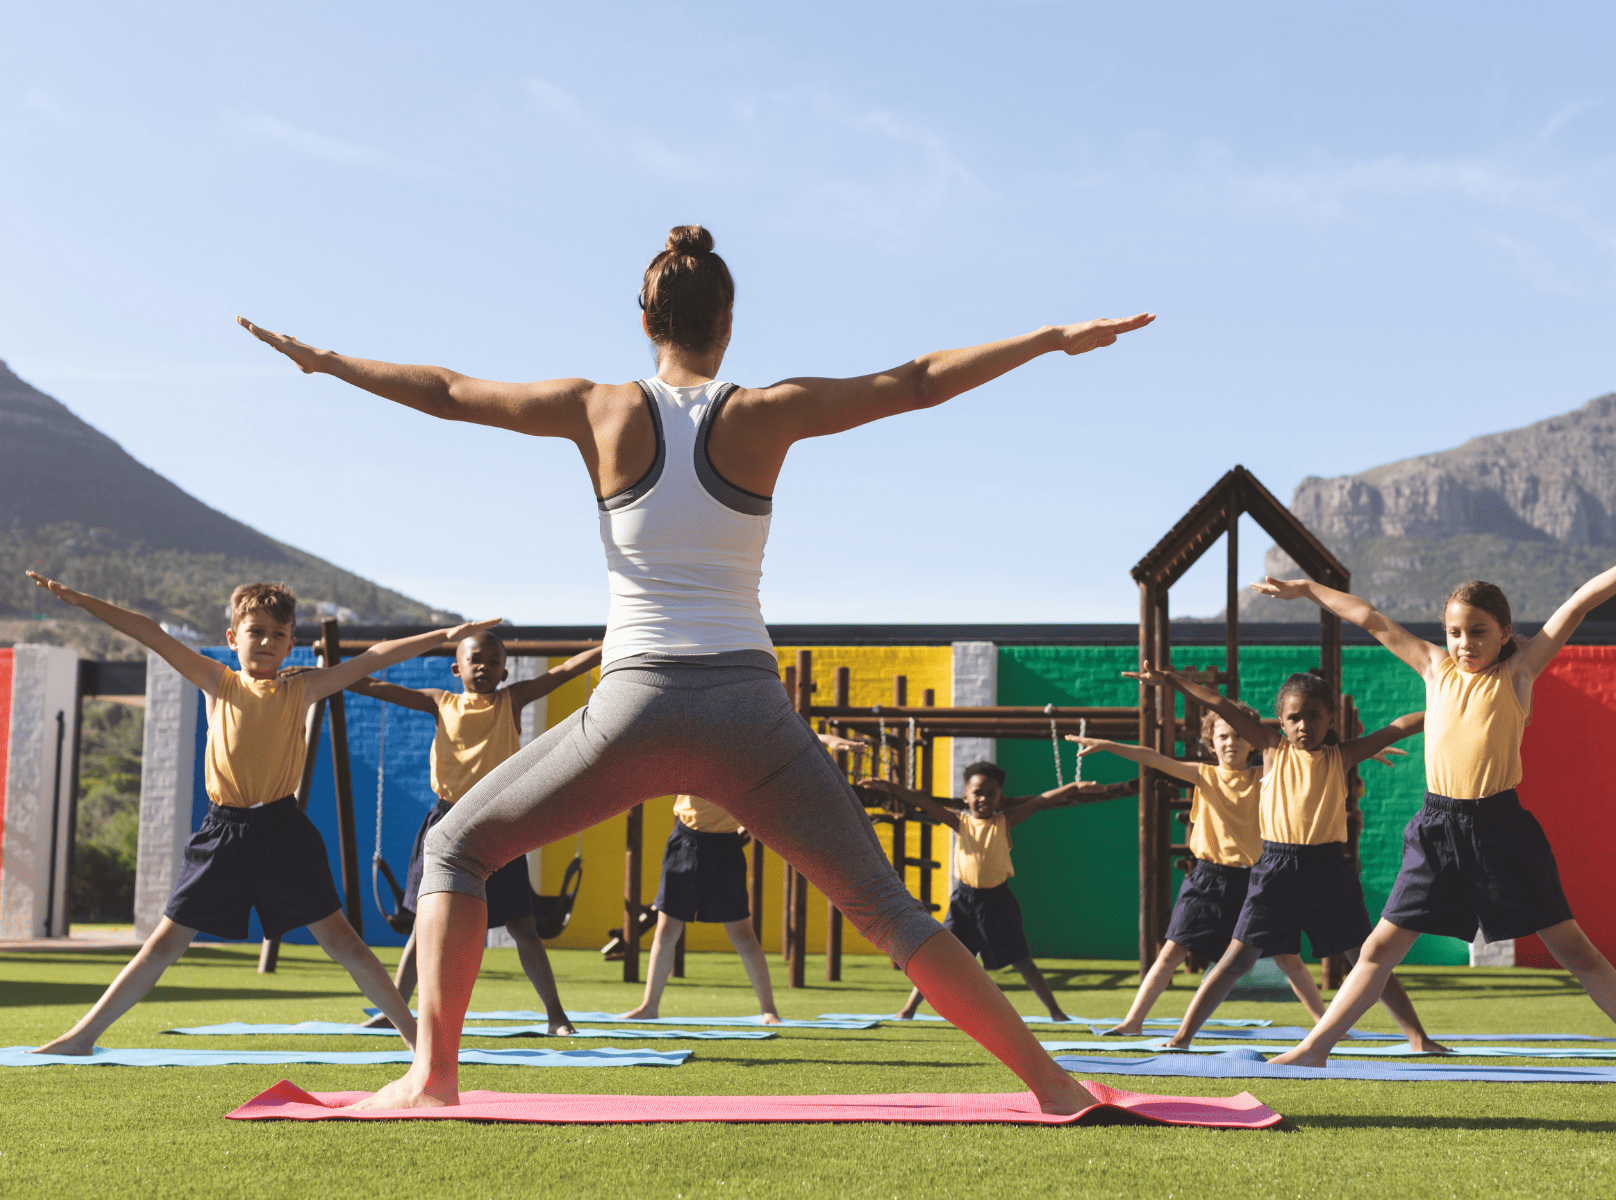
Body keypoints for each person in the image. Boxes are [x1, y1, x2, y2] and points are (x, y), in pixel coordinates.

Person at [238, 223, 1154, 1112]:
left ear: (645, 320)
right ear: (728, 325)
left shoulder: (596, 407)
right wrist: (1045, 339)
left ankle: (432, 1077)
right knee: (884, 906)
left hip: (633, 707)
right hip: (750, 716)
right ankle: (1054, 1084)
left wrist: (328, 362)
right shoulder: (765, 412)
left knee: (454, 849)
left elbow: (445, 388)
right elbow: (913, 383)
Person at [1250, 557, 1616, 1077]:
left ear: (1505, 633)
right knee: (1378, 948)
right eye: (1454, 632)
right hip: (1436, 829)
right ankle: (1316, 1048)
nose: (1464, 643)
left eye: (1478, 632)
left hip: (1500, 829)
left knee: (1574, 949)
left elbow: (1576, 604)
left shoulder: (1518, 673)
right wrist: (1306, 589)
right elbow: (1368, 617)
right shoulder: (1434, 667)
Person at [24, 574, 495, 1054]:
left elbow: (374, 658)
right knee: (164, 944)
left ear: (292, 643)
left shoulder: (302, 690)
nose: (266, 641)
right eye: (255, 631)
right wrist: (80, 599)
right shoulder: (215, 680)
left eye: (277, 634)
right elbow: (151, 633)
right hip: (223, 835)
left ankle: (418, 1042)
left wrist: (444, 636)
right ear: (234, 638)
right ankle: (82, 1037)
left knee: (345, 944)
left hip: (284, 832)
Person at [1129, 662, 1446, 1052]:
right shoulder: (1272, 749)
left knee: (1368, 955)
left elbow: (1401, 726)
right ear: (1280, 721)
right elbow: (1220, 704)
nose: (1304, 725)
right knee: (1236, 959)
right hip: (1275, 870)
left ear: (1330, 718)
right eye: (1294, 717)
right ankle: (1182, 1036)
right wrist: (1171, 680)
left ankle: (1418, 1037)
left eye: (1314, 716)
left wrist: (1459, 707)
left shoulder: (1341, 755)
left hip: (1328, 869)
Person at [346, 631, 601, 1036]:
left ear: (504, 670)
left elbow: (567, 669)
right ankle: (395, 1010)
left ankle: (556, 1015)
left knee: (522, 926)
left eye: (493, 661)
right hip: (445, 822)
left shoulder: (511, 701)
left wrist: (610, 645)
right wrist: (327, 673)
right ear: (456, 668)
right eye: (474, 660)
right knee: (421, 925)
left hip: (498, 823)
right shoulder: (439, 702)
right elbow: (375, 685)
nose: (483, 668)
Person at [1067, 705, 1330, 1035]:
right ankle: (1133, 1021)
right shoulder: (1202, 774)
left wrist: (1359, 752)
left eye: (1239, 735)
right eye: (1222, 735)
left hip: (1258, 883)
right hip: (1208, 880)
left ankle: (1327, 1024)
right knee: (1171, 953)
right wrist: (1108, 745)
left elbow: (1311, 764)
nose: (1230, 742)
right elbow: (1152, 757)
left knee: (1288, 958)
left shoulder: (1266, 775)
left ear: (1253, 743)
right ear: (1210, 742)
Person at [622, 730, 866, 1024]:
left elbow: (791, 735)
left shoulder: (748, 739)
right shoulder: (693, 739)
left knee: (742, 935)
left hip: (725, 846)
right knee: (666, 929)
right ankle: (650, 1006)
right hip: (684, 842)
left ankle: (769, 1009)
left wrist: (828, 741)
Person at [860, 763, 1134, 1022]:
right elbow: (924, 803)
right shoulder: (960, 822)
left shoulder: (1004, 822)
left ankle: (1056, 1012)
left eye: (991, 794)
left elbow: (1041, 800)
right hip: (964, 902)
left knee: (1022, 960)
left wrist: (1075, 787)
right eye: (978, 793)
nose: (984, 799)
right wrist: (889, 787)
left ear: (1000, 797)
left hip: (998, 901)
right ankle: (909, 1009)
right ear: (965, 795)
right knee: (939, 957)